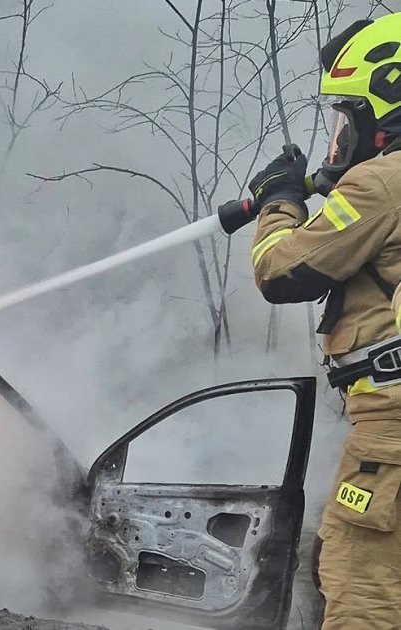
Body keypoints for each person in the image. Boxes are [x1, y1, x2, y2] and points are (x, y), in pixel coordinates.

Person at [244, 13, 401, 628]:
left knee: (361, 592)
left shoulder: (382, 184)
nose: (341, 137)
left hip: (391, 435)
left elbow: (281, 271)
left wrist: (279, 201)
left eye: (348, 118)